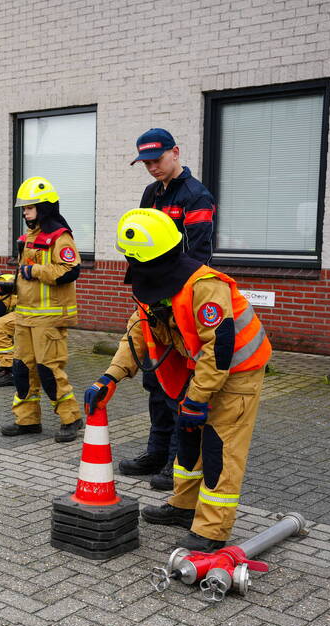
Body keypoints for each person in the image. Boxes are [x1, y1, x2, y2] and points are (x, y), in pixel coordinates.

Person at [84, 208, 270, 552]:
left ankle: (212, 530)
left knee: (220, 450)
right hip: (199, 371)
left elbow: (220, 348)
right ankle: (184, 508)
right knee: (188, 441)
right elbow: (137, 335)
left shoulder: (204, 287)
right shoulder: (154, 284)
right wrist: (109, 377)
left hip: (237, 376)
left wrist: (198, 399)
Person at [120, 128, 216, 491]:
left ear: (175, 152)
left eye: (157, 160)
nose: (152, 168)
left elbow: (198, 256)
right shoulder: (151, 193)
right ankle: (156, 452)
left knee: (180, 384)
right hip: (154, 299)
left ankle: (178, 459)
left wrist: (173, 301)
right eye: (145, 162)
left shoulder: (196, 196)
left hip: (180, 302)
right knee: (155, 382)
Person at [0, 177, 83, 443]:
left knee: (49, 371)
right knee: (22, 370)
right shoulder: (28, 239)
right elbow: (26, 277)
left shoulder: (60, 237)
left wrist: (34, 270)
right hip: (25, 317)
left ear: (45, 207)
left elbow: (70, 271)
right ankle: (27, 421)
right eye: (23, 208)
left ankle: (71, 419)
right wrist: (10, 287)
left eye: (30, 207)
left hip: (49, 318)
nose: (25, 212)